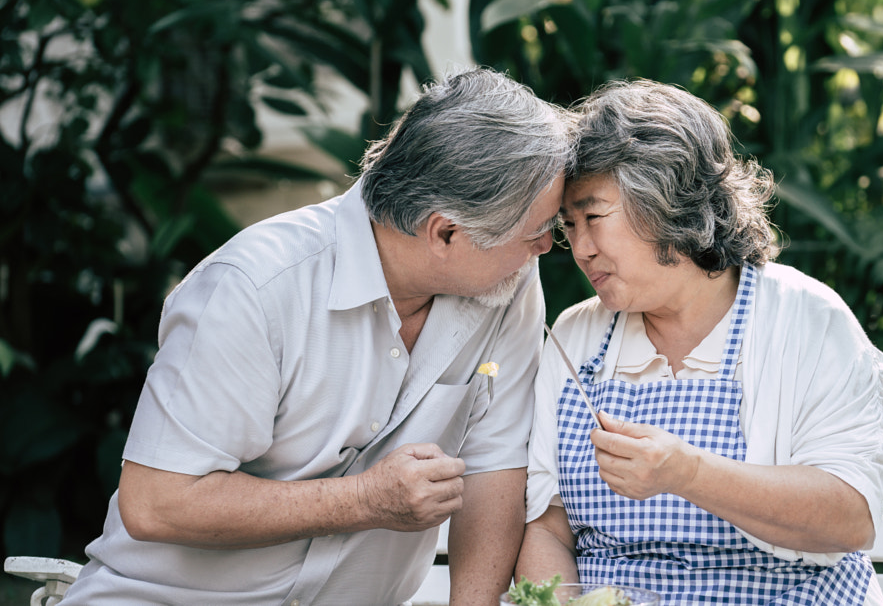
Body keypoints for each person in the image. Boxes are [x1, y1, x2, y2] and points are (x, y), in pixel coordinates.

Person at [60, 67, 575, 606]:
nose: (547, 246)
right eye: (538, 231)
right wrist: (364, 500)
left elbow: (495, 466)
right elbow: (156, 503)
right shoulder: (254, 288)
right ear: (445, 232)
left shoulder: (504, 279)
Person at [516, 79, 883, 605]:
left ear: (666, 201)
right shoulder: (576, 337)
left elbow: (849, 519)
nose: (581, 249)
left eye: (594, 217)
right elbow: (547, 529)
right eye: (569, 225)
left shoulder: (807, 319)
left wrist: (687, 472)